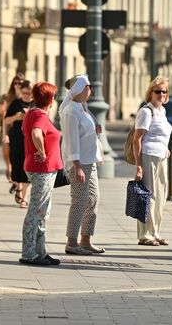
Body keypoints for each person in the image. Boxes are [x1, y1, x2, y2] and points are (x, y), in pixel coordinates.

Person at [59, 74, 105, 255]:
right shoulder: (71, 110)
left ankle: (86, 240)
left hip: (89, 160)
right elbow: (71, 140)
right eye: (87, 87)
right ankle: (71, 241)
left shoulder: (82, 108)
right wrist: (77, 165)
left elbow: (86, 133)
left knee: (93, 199)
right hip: (79, 162)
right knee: (79, 201)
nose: (90, 90)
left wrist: (96, 130)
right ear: (78, 89)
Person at [19, 82, 63, 266]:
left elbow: (27, 131)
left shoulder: (31, 113)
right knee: (37, 211)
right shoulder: (40, 116)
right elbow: (37, 133)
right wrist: (42, 151)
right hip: (42, 169)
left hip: (40, 169)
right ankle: (29, 253)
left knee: (43, 210)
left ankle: (40, 251)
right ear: (50, 99)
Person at [132, 76, 172, 246]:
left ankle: (155, 232)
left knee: (161, 196)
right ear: (151, 93)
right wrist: (139, 165)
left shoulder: (162, 111)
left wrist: (166, 149)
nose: (161, 94)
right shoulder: (145, 112)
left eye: (164, 92)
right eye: (158, 92)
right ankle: (145, 235)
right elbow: (137, 140)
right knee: (150, 196)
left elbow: (161, 135)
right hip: (148, 156)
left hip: (161, 157)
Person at [5, 80, 34, 208]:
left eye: (28, 93)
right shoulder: (16, 103)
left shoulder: (35, 105)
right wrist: (16, 117)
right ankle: (18, 187)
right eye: (24, 93)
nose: (26, 95)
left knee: (27, 169)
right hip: (16, 139)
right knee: (16, 165)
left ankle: (25, 198)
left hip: (30, 141)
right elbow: (6, 120)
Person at [0, 73, 25, 191]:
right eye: (15, 82)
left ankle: (16, 181)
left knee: (17, 157)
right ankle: (11, 173)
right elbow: (3, 115)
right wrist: (4, 134)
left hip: (20, 132)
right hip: (8, 129)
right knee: (8, 156)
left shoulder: (26, 97)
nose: (17, 85)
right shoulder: (8, 98)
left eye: (20, 83)